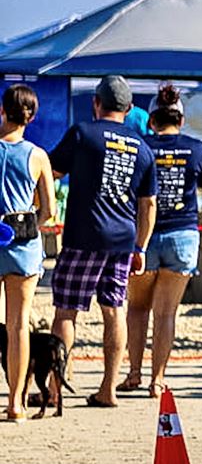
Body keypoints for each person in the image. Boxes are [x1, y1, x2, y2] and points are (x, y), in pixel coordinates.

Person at [47, 76, 157, 408]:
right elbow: (148, 204)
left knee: (66, 312)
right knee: (114, 311)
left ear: (96, 103)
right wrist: (141, 246)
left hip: (83, 236)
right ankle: (108, 389)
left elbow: (49, 172)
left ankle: (54, 390)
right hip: (123, 241)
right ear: (129, 109)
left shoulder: (82, 134)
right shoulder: (142, 147)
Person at [126, 85, 202, 395]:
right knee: (166, 313)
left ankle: (135, 373)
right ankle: (158, 380)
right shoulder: (197, 147)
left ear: (151, 120)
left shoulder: (141, 147)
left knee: (138, 308)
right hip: (183, 235)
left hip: (145, 234)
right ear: (182, 119)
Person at [2, 84, 59, 421]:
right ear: (31, 117)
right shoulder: (37, 155)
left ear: (2, 110)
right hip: (23, 248)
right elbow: (50, 209)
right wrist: (28, 224)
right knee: (18, 326)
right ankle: (15, 403)